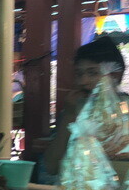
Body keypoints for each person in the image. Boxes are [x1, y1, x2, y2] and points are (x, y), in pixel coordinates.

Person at [44, 36, 126, 177]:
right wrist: (69, 115)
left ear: (115, 75)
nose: (83, 81)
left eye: (92, 73)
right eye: (79, 74)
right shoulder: (73, 110)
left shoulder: (126, 111)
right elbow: (52, 167)